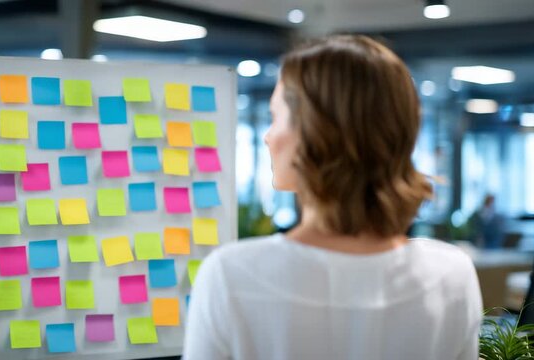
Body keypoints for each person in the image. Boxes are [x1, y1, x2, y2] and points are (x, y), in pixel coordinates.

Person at [183, 35, 483, 360]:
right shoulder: (451, 276)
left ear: (313, 132)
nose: (268, 137)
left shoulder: (231, 276)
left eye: (276, 117)